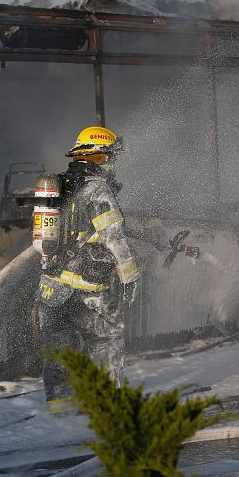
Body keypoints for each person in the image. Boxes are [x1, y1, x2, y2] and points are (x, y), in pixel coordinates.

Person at [36, 126, 140, 413]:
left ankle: (59, 410)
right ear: (100, 156)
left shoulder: (59, 185)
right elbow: (114, 239)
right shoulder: (98, 190)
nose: (113, 162)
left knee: (58, 350)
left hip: (51, 290)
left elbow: (43, 244)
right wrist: (130, 276)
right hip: (89, 291)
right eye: (111, 156)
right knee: (107, 340)